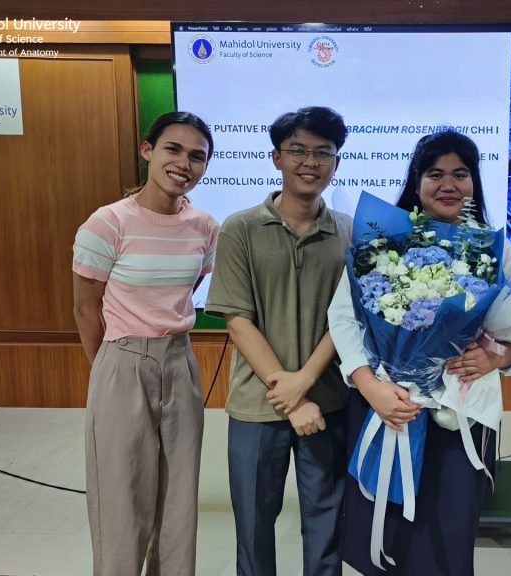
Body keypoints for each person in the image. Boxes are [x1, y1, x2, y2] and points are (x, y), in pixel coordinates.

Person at [328, 129, 511, 575]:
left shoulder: (496, 250)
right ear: (416, 182)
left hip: (462, 415)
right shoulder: (383, 244)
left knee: (447, 537)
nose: (448, 184)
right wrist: (371, 386)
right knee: (386, 533)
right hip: (389, 406)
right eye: (435, 174)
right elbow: (343, 318)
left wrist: (499, 357)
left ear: (474, 182)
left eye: (460, 174)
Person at [204, 106, 351, 576]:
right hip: (257, 405)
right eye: (297, 150)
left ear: (337, 162)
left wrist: (304, 384)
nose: (310, 162)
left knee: (327, 524)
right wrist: (289, 392)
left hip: (327, 402)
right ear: (276, 158)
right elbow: (237, 319)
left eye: (323, 153)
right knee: (253, 525)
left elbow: (347, 321)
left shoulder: (350, 232)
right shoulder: (240, 228)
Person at [72, 111, 219, 575]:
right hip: (122, 360)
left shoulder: (205, 227)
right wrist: (110, 367)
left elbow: (186, 290)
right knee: (121, 496)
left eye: (197, 156)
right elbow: (85, 309)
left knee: (179, 497)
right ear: (147, 151)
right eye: (173, 149)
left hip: (180, 362)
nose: (184, 164)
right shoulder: (107, 223)